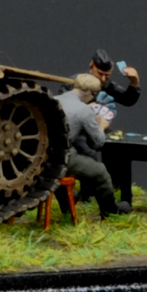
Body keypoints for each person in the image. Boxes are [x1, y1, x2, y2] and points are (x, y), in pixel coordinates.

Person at [51, 74, 132, 219]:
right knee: (100, 172)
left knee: (55, 171)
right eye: (94, 94)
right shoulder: (84, 110)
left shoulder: (54, 100)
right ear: (88, 92)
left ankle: (67, 201)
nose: (93, 98)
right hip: (62, 156)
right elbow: (97, 142)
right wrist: (101, 126)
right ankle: (110, 210)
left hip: (42, 155)